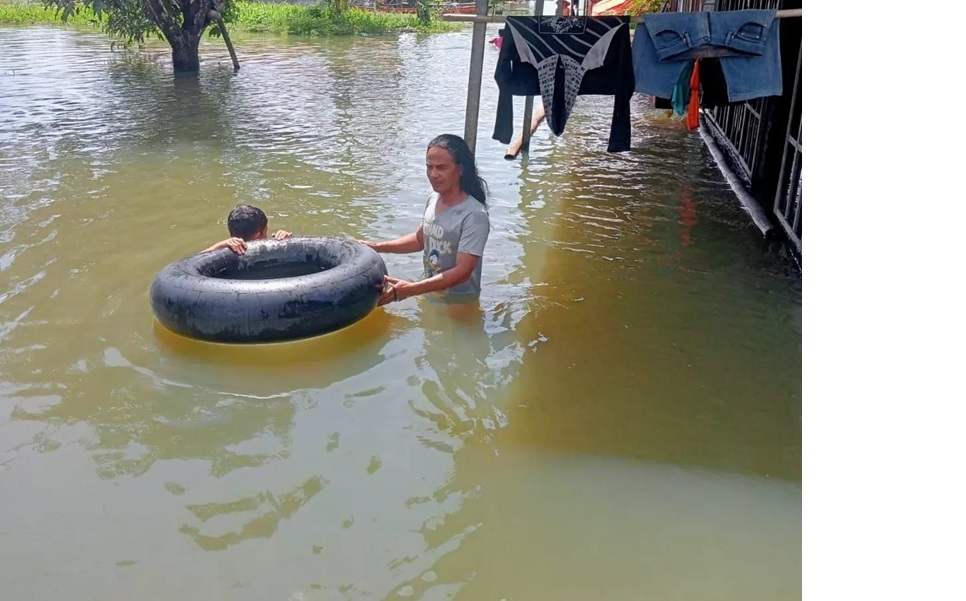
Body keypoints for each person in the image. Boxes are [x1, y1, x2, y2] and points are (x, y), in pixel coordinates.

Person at [359, 134, 491, 307]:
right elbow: (420, 240)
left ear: (460, 170)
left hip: (458, 302)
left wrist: (411, 290)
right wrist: (376, 247)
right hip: (429, 290)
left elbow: (463, 272)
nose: (433, 174)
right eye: (429, 167)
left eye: (441, 168)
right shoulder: (434, 199)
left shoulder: (474, 215)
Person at [203, 203, 291, 254]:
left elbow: (192, 262)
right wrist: (286, 243)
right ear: (258, 234)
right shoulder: (269, 252)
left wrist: (221, 245)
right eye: (265, 232)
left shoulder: (222, 254)